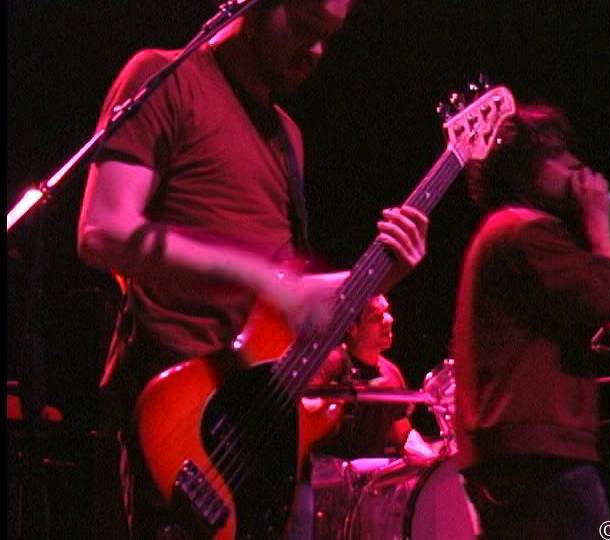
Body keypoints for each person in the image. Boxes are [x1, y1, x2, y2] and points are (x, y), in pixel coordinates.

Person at [76, 1, 429, 537]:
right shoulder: (164, 76)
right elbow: (103, 230)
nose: (316, 51)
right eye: (307, 26)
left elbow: (285, 298)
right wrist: (258, 276)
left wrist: (383, 276)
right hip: (186, 425)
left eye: (328, 38)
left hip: (270, 435)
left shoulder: (288, 136)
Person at [452, 103, 610, 539]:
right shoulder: (526, 231)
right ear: (520, 170)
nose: (573, 162)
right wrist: (598, 222)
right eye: (554, 152)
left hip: (511, 455)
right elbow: (608, 299)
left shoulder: (502, 230)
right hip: (542, 459)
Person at [301, 294, 438, 540]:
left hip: (366, 493)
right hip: (326, 489)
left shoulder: (391, 374)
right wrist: (327, 401)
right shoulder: (332, 363)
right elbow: (304, 409)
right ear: (352, 328)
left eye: (387, 312)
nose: (389, 320)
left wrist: (434, 459)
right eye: (376, 317)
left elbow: (402, 435)